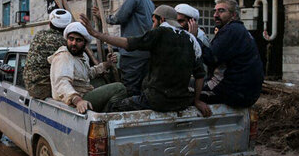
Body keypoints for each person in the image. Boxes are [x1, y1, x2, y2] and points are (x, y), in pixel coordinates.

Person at [80, 6, 211, 116]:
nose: (152, 25)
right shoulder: (192, 39)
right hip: (181, 102)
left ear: (162, 20)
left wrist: (96, 34)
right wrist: (197, 100)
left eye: (154, 21)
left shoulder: (160, 32)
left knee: (115, 107)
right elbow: (200, 75)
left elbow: (127, 43)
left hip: (156, 100)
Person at [188, 0, 264, 108]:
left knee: (183, 92)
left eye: (221, 11)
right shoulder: (240, 30)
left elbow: (210, 58)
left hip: (233, 93)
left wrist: (194, 38)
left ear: (233, 15)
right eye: (215, 11)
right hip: (246, 93)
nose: (215, 15)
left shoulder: (231, 30)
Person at [92, 0, 154, 96]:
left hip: (132, 53)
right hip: (145, 53)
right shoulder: (148, 0)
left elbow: (119, 18)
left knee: (129, 89)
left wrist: (102, 16)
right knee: (142, 88)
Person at [48, 22, 127, 114]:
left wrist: (107, 64)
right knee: (119, 88)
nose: (74, 43)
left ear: (85, 43)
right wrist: (78, 100)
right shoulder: (63, 56)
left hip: (83, 91)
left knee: (101, 81)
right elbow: (62, 83)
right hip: (73, 99)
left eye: (78, 40)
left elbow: (88, 73)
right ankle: (105, 116)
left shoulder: (82, 56)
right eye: (71, 39)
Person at [23, 9, 71, 99]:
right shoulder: (64, 43)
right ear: (67, 27)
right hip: (44, 89)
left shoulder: (39, 35)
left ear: (49, 24)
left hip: (30, 86)